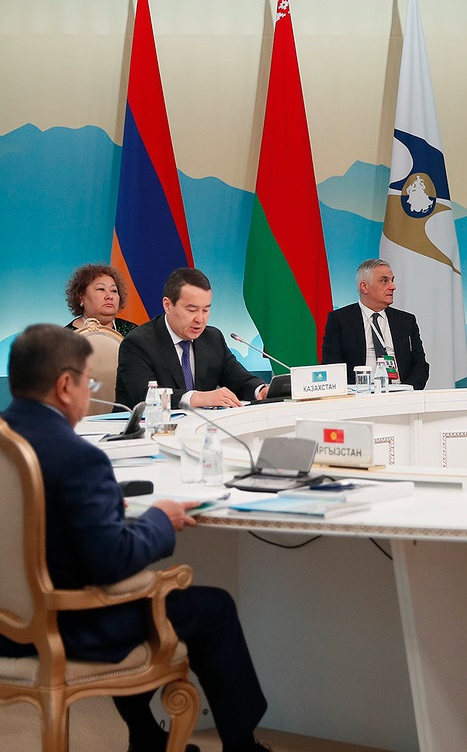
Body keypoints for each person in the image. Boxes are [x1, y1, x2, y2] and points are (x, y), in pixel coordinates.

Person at [0, 324, 271, 752]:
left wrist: (104, 504)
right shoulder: (79, 457)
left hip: (9, 626)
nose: (90, 392)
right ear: (65, 386)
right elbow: (112, 562)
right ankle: (243, 748)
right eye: (88, 382)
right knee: (213, 608)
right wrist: (160, 520)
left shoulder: (11, 441)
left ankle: (145, 736)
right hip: (68, 625)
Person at [115, 268, 267, 408]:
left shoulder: (212, 338)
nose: (200, 319)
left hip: (200, 426)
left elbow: (238, 379)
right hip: (141, 426)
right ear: (167, 305)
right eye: (192, 310)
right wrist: (198, 398)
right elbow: (145, 395)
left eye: (205, 310)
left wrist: (260, 390)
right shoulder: (138, 343)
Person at [321, 259, 429, 389]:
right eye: (384, 281)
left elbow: (420, 364)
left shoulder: (406, 320)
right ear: (364, 287)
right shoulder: (340, 319)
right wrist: (354, 392)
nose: (393, 286)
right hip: (359, 394)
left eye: (392, 280)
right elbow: (332, 364)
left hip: (401, 391)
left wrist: (408, 390)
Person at [64, 263, 138, 337]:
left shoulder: (133, 332)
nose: (110, 296)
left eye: (114, 290)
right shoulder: (65, 337)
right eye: (101, 289)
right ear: (81, 297)